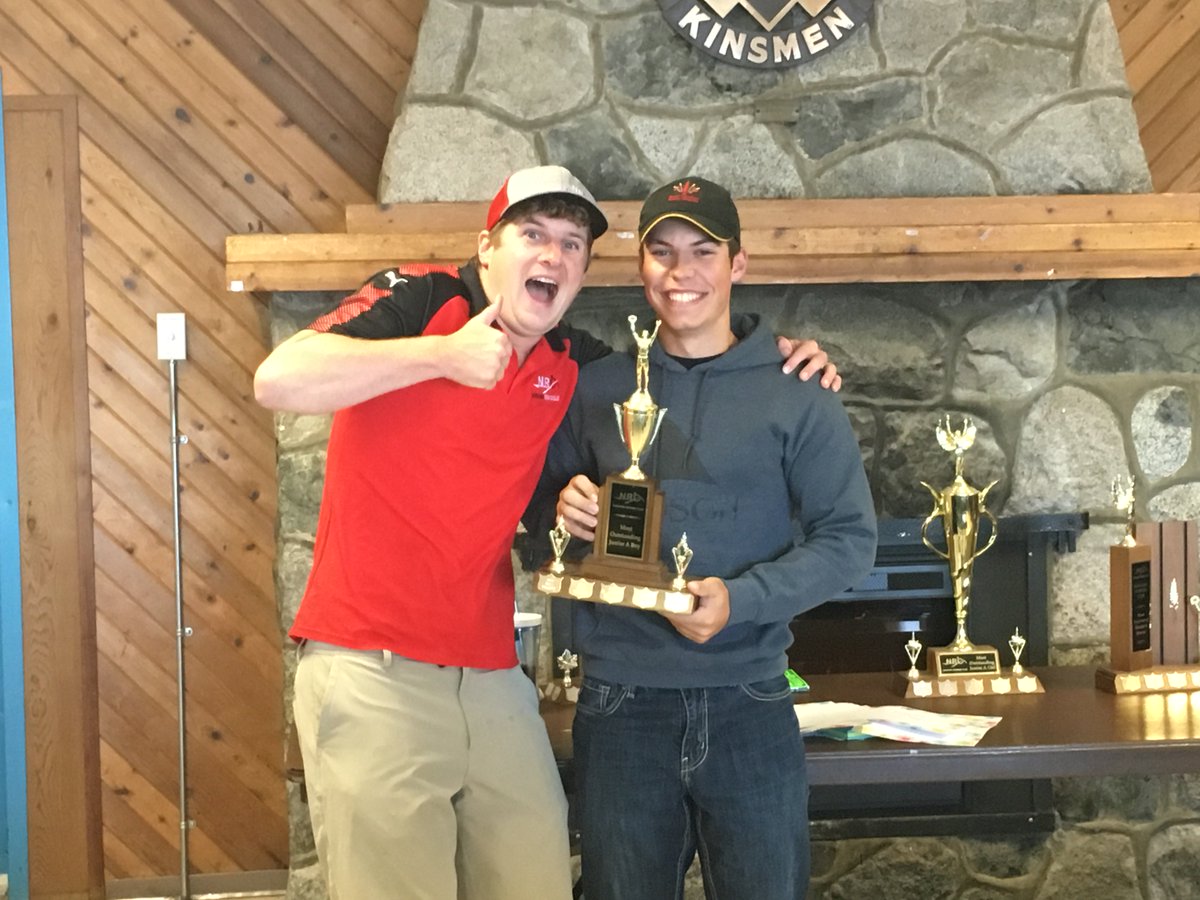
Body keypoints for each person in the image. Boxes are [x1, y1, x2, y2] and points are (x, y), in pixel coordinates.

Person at [253, 165, 841, 899]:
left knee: (539, 880)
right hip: (373, 663)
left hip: (492, 672)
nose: (552, 255)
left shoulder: (574, 364)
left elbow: (674, 375)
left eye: (571, 243)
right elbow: (278, 379)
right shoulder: (423, 298)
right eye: (532, 234)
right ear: (486, 247)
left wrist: (774, 357)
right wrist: (440, 355)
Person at [533, 176, 878, 900]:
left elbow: (849, 540)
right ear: (641, 266)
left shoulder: (799, 389)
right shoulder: (593, 388)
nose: (680, 271)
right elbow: (536, 526)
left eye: (702, 251)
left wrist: (742, 600)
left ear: (737, 264)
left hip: (750, 700)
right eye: (661, 251)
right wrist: (559, 510)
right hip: (619, 704)